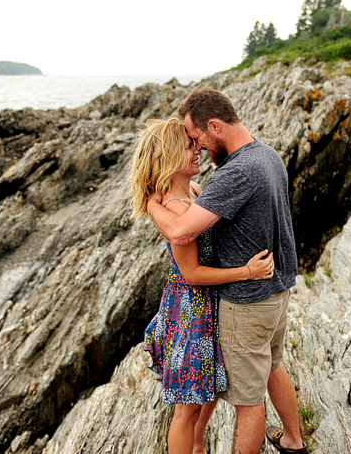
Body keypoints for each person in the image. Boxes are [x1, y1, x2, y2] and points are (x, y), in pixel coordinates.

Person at [146, 86, 307, 454]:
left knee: (248, 401)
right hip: (277, 291)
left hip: (248, 303)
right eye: (189, 144)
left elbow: (181, 230)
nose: (197, 146)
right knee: (272, 366)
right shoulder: (267, 155)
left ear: (214, 126)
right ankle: (293, 440)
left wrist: (149, 204)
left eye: (197, 137)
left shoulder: (233, 174)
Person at [129, 118, 275, 454]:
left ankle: (197, 446)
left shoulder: (193, 192)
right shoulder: (172, 208)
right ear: (168, 158)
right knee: (186, 407)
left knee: (207, 390)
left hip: (208, 307)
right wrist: (246, 272)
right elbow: (192, 273)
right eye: (188, 146)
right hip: (189, 312)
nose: (198, 148)